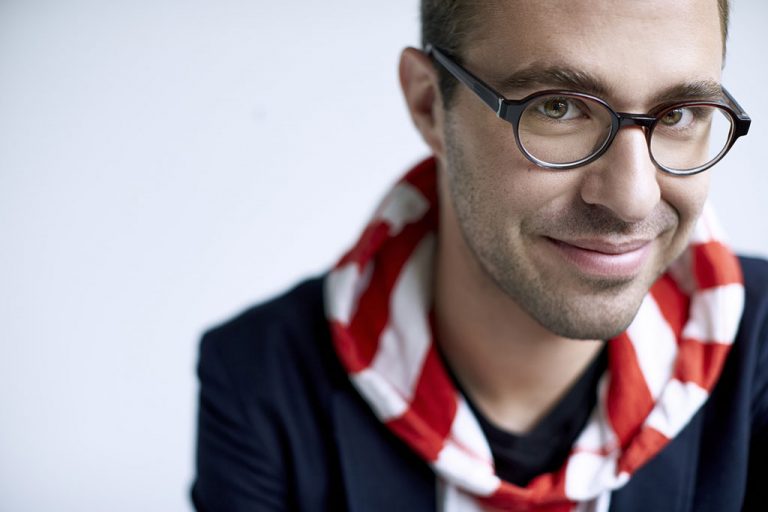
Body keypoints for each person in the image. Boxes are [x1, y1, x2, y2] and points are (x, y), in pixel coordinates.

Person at [191, 1, 767, 510]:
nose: (633, 197)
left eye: (679, 114)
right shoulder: (259, 380)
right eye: (558, 108)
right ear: (428, 105)